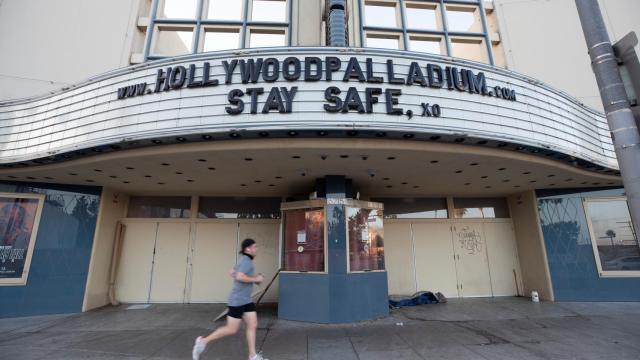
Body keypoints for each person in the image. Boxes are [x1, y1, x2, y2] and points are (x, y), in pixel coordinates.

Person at [192, 238, 268, 360]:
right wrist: (256, 279)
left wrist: (254, 278)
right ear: (247, 249)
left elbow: (232, 272)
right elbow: (239, 276)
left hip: (246, 300)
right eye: (254, 247)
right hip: (237, 300)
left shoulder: (243, 260)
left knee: (252, 324)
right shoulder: (247, 261)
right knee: (231, 329)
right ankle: (203, 341)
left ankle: (252, 356)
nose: (256, 249)